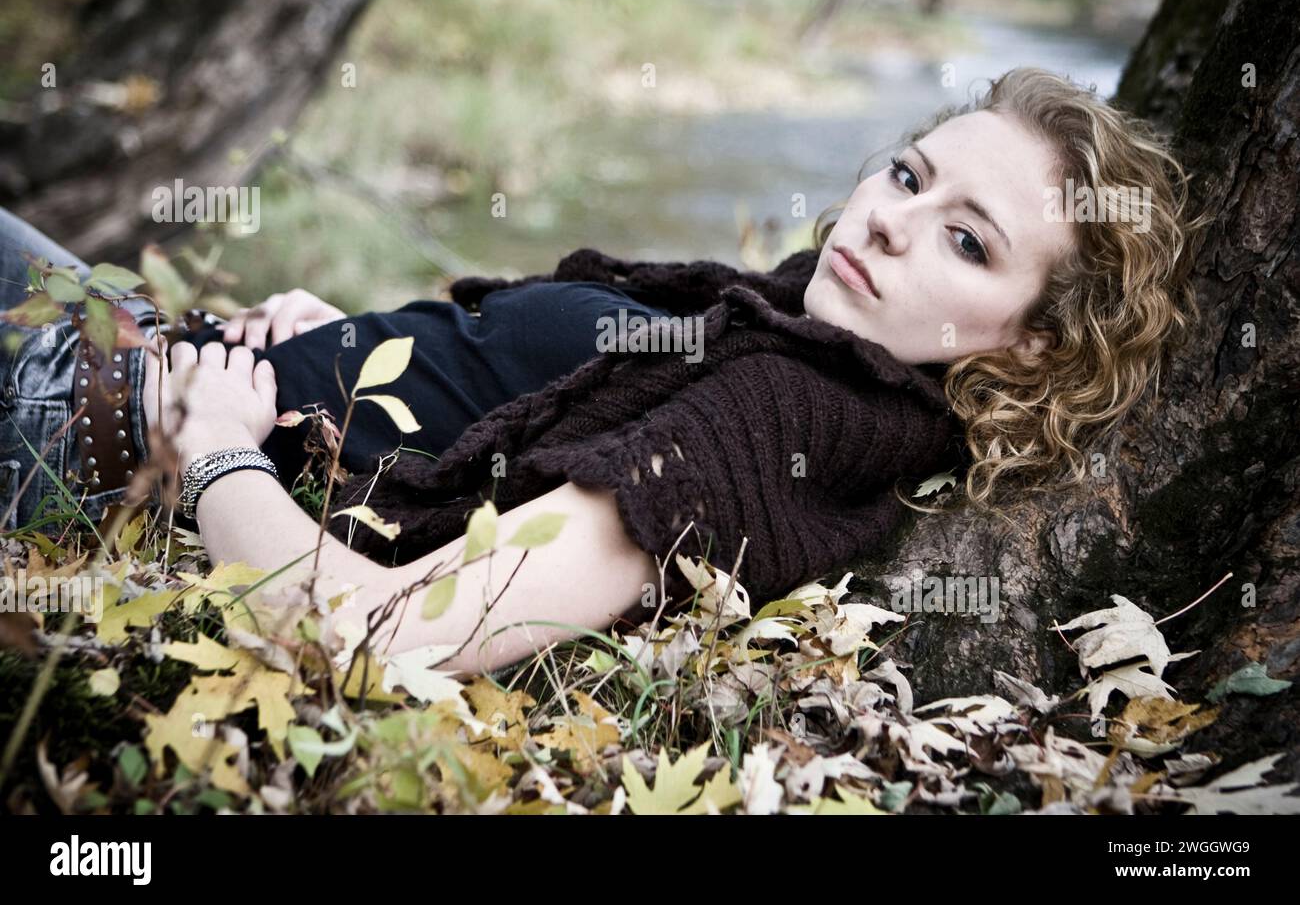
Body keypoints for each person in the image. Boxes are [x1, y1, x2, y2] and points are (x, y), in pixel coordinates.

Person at [0, 68, 1208, 680]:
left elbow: (370, 637)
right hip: (135, 348)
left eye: (967, 240)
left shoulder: (785, 417)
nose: (893, 221)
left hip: (91, 432)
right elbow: (527, 385)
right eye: (907, 175)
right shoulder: (790, 320)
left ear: (1031, 342)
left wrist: (212, 443)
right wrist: (364, 343)